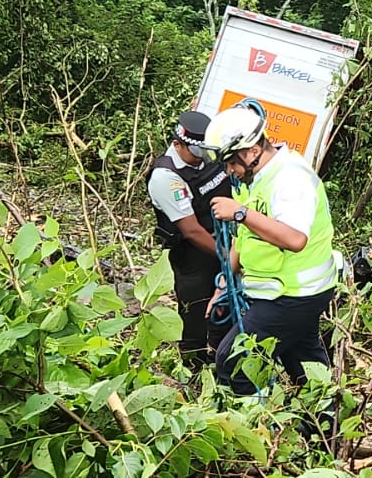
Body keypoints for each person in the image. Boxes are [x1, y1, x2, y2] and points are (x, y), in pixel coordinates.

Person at [201, 102, 338, 397]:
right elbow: (245, 237)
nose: (229, 171)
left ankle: (253, 433)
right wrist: (225, 283)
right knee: (306, 368)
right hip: (280, 291)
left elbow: (294, 238)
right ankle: (326, 434)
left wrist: (240, 213)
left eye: (231, 162)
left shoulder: (290, 179)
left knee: (233, 361)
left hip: (295, 294)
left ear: (251, 151)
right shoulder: (255, 179)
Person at [145, 111, 232, 367]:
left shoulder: (207, 155)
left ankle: (222, 363)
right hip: (195, 256)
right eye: (196, 151)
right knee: (195, 317)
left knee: (225, 312)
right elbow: (191, 230)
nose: (202, 157)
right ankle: (193, 374)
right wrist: (228, 258)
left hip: (227, 241)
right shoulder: (166, 177)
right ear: (177, 144)